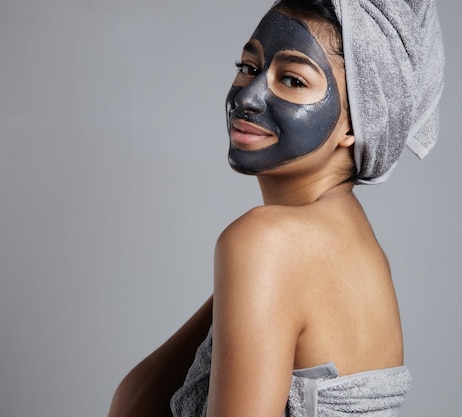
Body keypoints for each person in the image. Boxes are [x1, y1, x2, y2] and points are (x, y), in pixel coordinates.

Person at [107, 0, 443, 416]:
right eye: (248, 67)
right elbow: (135, 403)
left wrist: (248, 261)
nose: (248, 97)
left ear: (360, 120)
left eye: (293, 80)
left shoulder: (268, 243)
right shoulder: (350, 245)